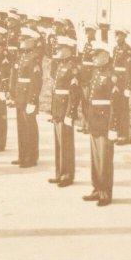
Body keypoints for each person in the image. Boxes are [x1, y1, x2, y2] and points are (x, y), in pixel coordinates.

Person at [81, 41, 119, 207]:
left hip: (105, 122)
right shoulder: (96, 72)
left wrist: (113, 126)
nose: (94, 57)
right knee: (95, 158)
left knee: (104, 159)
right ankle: (96, 188)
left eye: (97, 55)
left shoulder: (113, 75)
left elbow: (116, 103)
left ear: (106, 55)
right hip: (95, 120)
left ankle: (105, 192)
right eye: (93, 55)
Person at [49, 35, 81, 187]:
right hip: (57, 108)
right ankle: (59, 172)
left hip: (65, 109)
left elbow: (74, 93)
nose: (58, 50)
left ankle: (67, 175)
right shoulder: (60, 65)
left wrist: (70, 112)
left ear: (68, 50)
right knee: (58, 143)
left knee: (66, 144)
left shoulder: (72, 68)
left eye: (61, 48)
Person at [12, 27, 43, 168]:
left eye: (24, 39)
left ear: (32, 41)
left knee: (29, 127)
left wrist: (32, 100)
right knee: (21, 127)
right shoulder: (22, 55)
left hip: (28, 97)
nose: (21, 41)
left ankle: (31, 157)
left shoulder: (35, 57)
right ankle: (22, 155)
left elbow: (36, 81)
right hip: (20, 96)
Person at [111, 28, 131, 145]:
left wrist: (128, 86)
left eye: (119, 35)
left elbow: (130, 70)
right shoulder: (115, 48)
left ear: (124, 37)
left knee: (123, 109)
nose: (117, 37)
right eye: (116, 35)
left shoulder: (127, 50)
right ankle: (115, 133)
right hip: (115, 82)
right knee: (115, 108)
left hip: (123, 83)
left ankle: (123, 136)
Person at [78, 25, 97, 134]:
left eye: (90, 32)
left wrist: (91, 78)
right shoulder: (87, 44)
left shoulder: (95, 45)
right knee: (84, 102)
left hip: (89, 77)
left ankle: (89, 125)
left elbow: (94, 63)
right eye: (87, 32)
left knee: (89, 102)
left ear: (94, 32)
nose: (87, 34)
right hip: (83, 76)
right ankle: (84, 124)